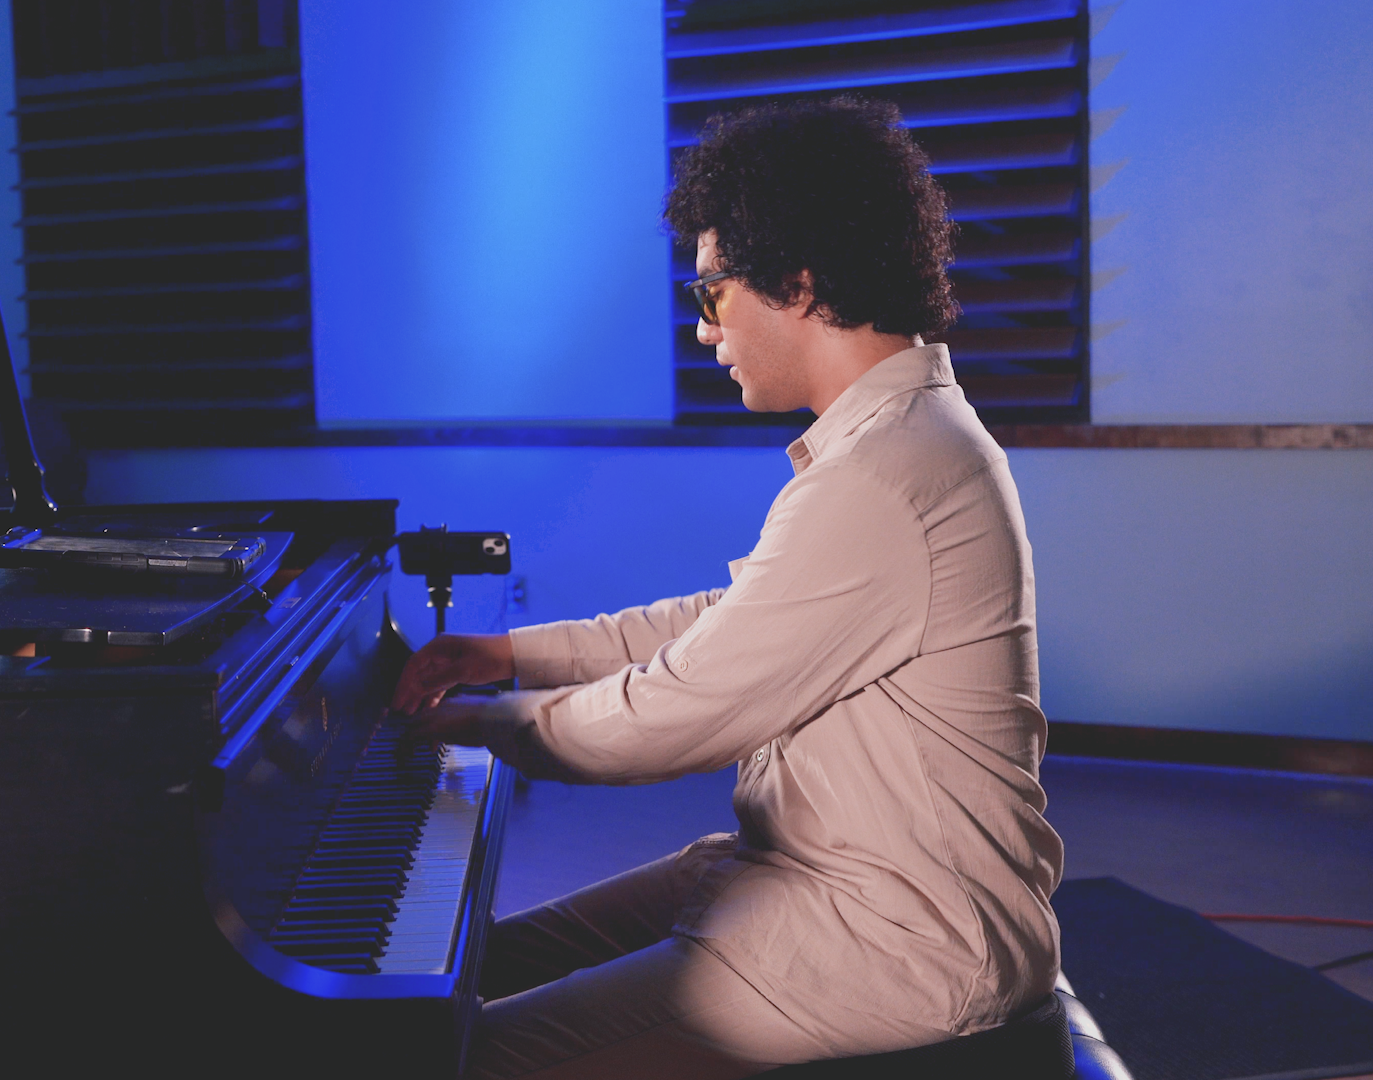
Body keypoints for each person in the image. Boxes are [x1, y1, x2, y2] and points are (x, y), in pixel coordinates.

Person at [393, 96, 1064, 1078]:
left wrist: (474, 725)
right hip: (810, 875)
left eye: (709, 293)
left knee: (467, 1060)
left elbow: (672, 714)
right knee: (457, 974)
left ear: (796, 282)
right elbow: (727, 625)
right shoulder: (896, 443)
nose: (703, 329)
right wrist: (505, 654)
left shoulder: (885, 477)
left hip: (899, 941)